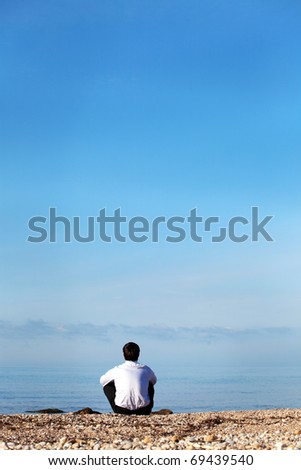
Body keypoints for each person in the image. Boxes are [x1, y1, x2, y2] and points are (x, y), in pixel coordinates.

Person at [100, 342, 157, 415]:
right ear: (139, 354)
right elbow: (154, 381)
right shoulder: (146, 369)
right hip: (143, 410)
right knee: (150, 384)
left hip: (121, 410)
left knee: (107, 385)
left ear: (123, 354)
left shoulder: (117, 370)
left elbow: (102, 381)